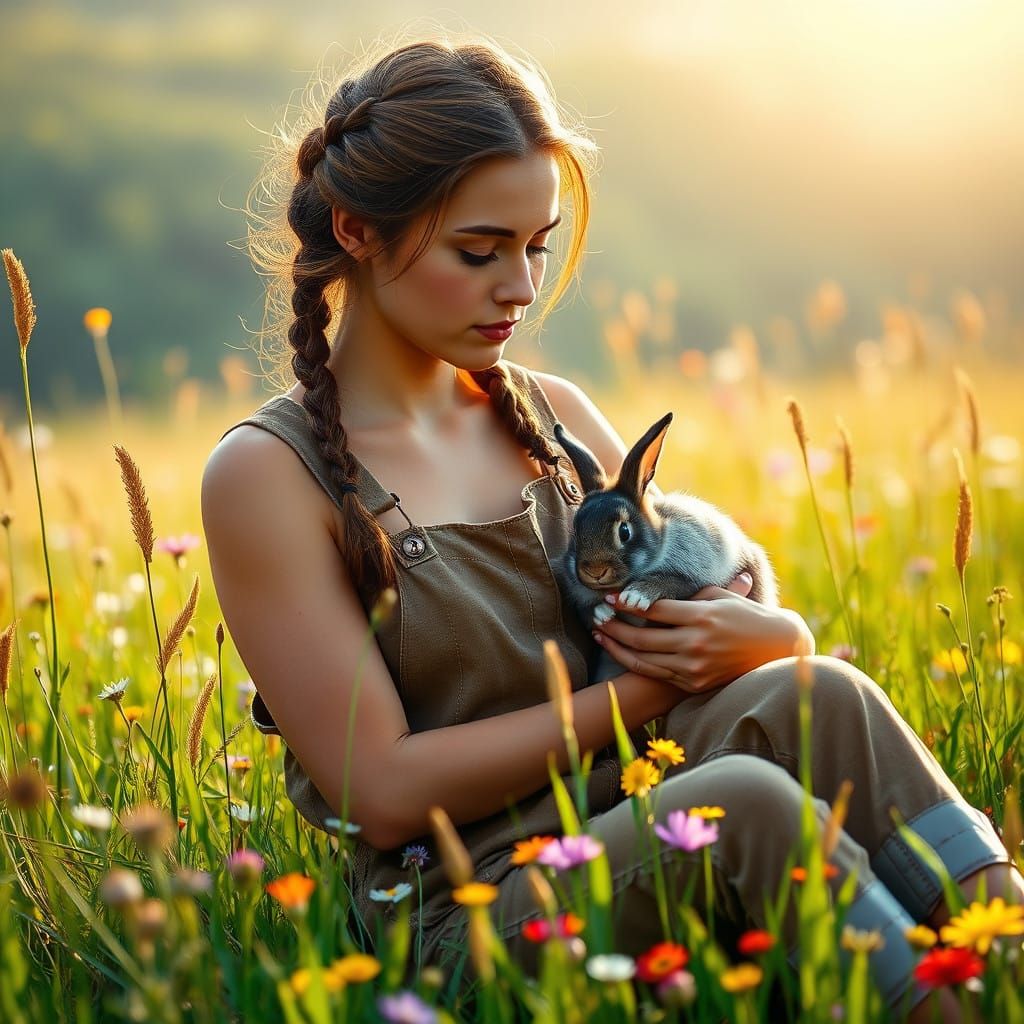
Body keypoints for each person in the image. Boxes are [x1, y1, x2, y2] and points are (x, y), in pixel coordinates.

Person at [201, 36, 1021, 1021]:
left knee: (821, 694)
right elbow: (379, 788)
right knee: (748, 806)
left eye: (537, 244)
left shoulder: (555, 416)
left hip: (621, 795)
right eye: (479, 250)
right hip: (472, 896)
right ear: (358, 230)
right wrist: (642, 690)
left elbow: (717, 614)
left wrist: (778, 638)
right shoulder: (267, 474)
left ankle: (1004, 964)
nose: (520, 286)